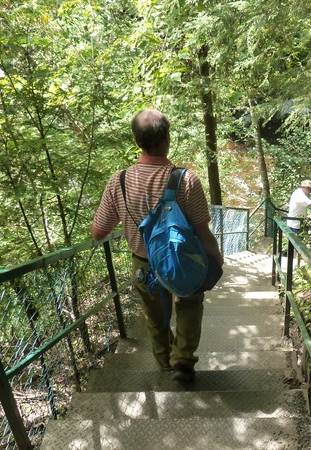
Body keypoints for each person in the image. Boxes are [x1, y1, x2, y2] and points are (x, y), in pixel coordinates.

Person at [90, 109, 223, 383]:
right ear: (167, 138)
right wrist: (216, 258)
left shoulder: (120, 182)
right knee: (189, 303)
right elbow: (202, 230)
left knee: (156, 316)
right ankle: (183, 360)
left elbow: (98, 231)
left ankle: (165, 364)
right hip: (183, 259)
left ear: (137, 140)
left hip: (144, 263)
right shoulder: (186, 180)